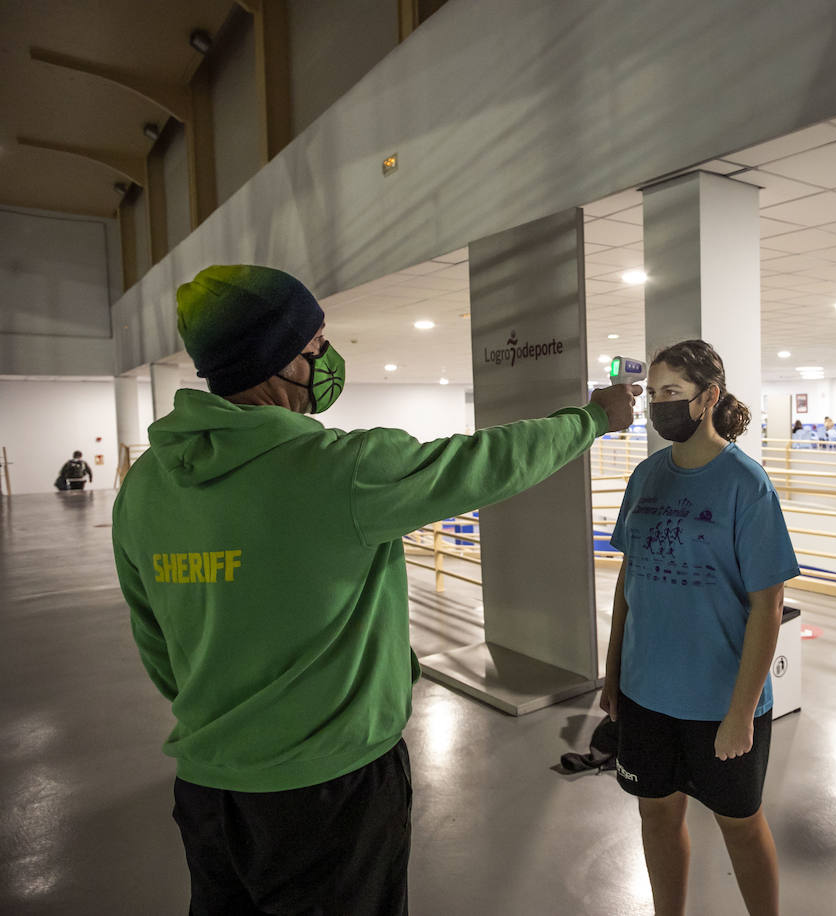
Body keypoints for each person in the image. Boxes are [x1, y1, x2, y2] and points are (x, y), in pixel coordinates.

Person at [110, 264, 638, 915]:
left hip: (208, 790)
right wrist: (591, 419)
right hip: (331, 792)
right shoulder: (340, 471)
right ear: (278, 361)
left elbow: (156, 645)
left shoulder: (144, 488)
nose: (328, 359)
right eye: (315, 346)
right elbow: (488, 462)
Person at [601, 339, 798, 916]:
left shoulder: (745, 483)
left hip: (720, 700)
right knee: (655, 811)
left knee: (740, 824)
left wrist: (741, 713)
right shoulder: (646, 477)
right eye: (654, 393)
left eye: (673, 393)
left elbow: (768, 606)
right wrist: (612, 671)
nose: (658, 405)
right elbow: (626, 583)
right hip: (645, 692)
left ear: (707, 398)